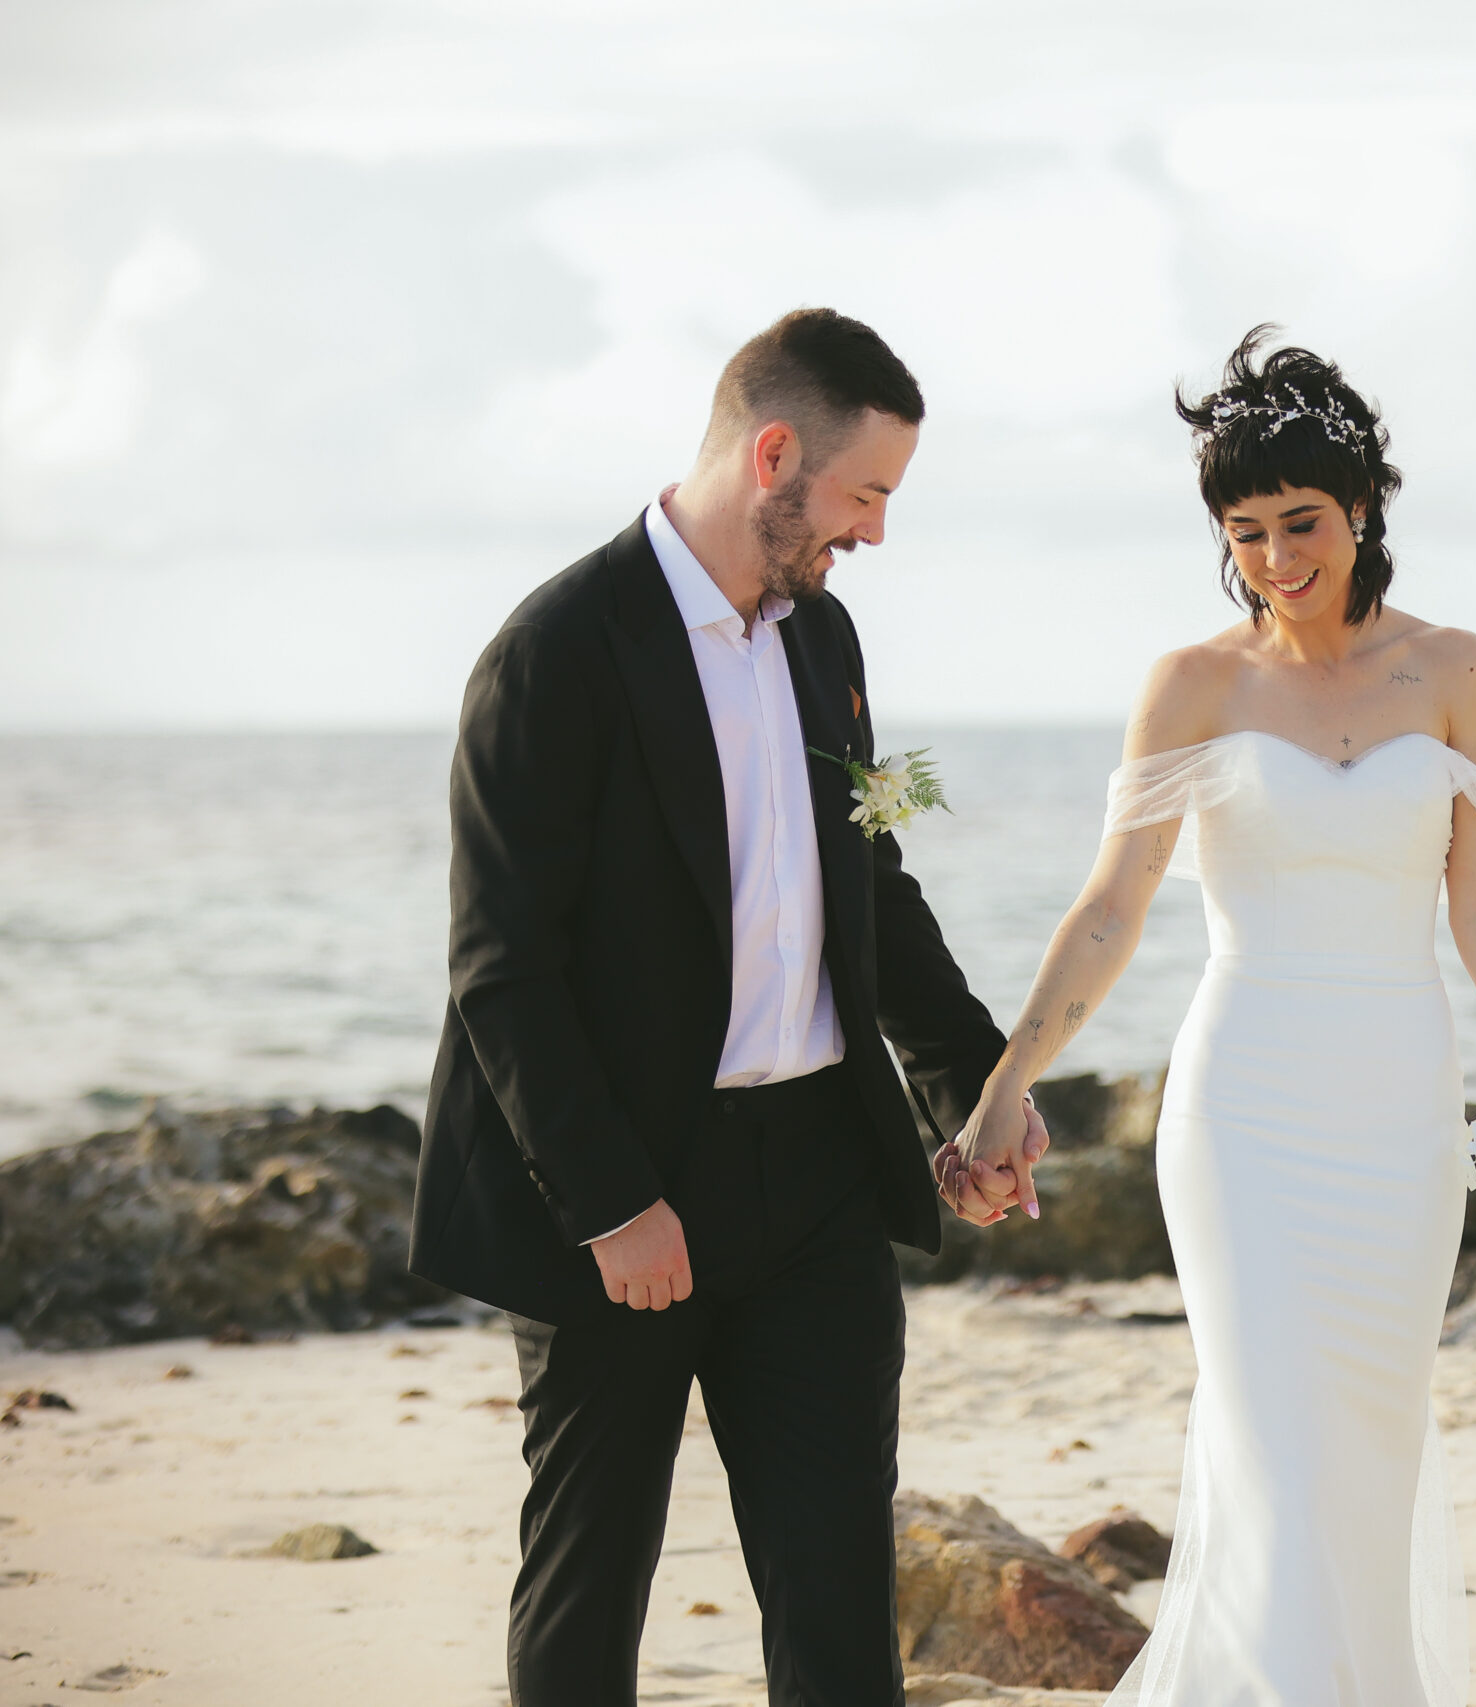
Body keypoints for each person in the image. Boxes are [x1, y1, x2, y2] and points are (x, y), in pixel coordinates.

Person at [937, 327, 1476, 1706]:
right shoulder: (1194, 686)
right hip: (1242, 1112)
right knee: (1272, 1448)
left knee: (1366, 1454)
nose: (1277, 557)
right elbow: (1110, 910)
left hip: (1396, 1115)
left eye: (1302, 523)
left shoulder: (1453, 671)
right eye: (1246, 530)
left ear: (1365, 508)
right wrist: (1009, 1080)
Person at [409, 308, 1044, 1706]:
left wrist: (977, 1091)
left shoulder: (824, 645)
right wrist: (608, 1202)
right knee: (590, 1595)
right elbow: (499, 962)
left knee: (834, 1604)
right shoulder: (557, 654)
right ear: (775, 455)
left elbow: (870, 894)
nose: (873, 531)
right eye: (865, 493)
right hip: (628, 1195)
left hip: (816, 1182)